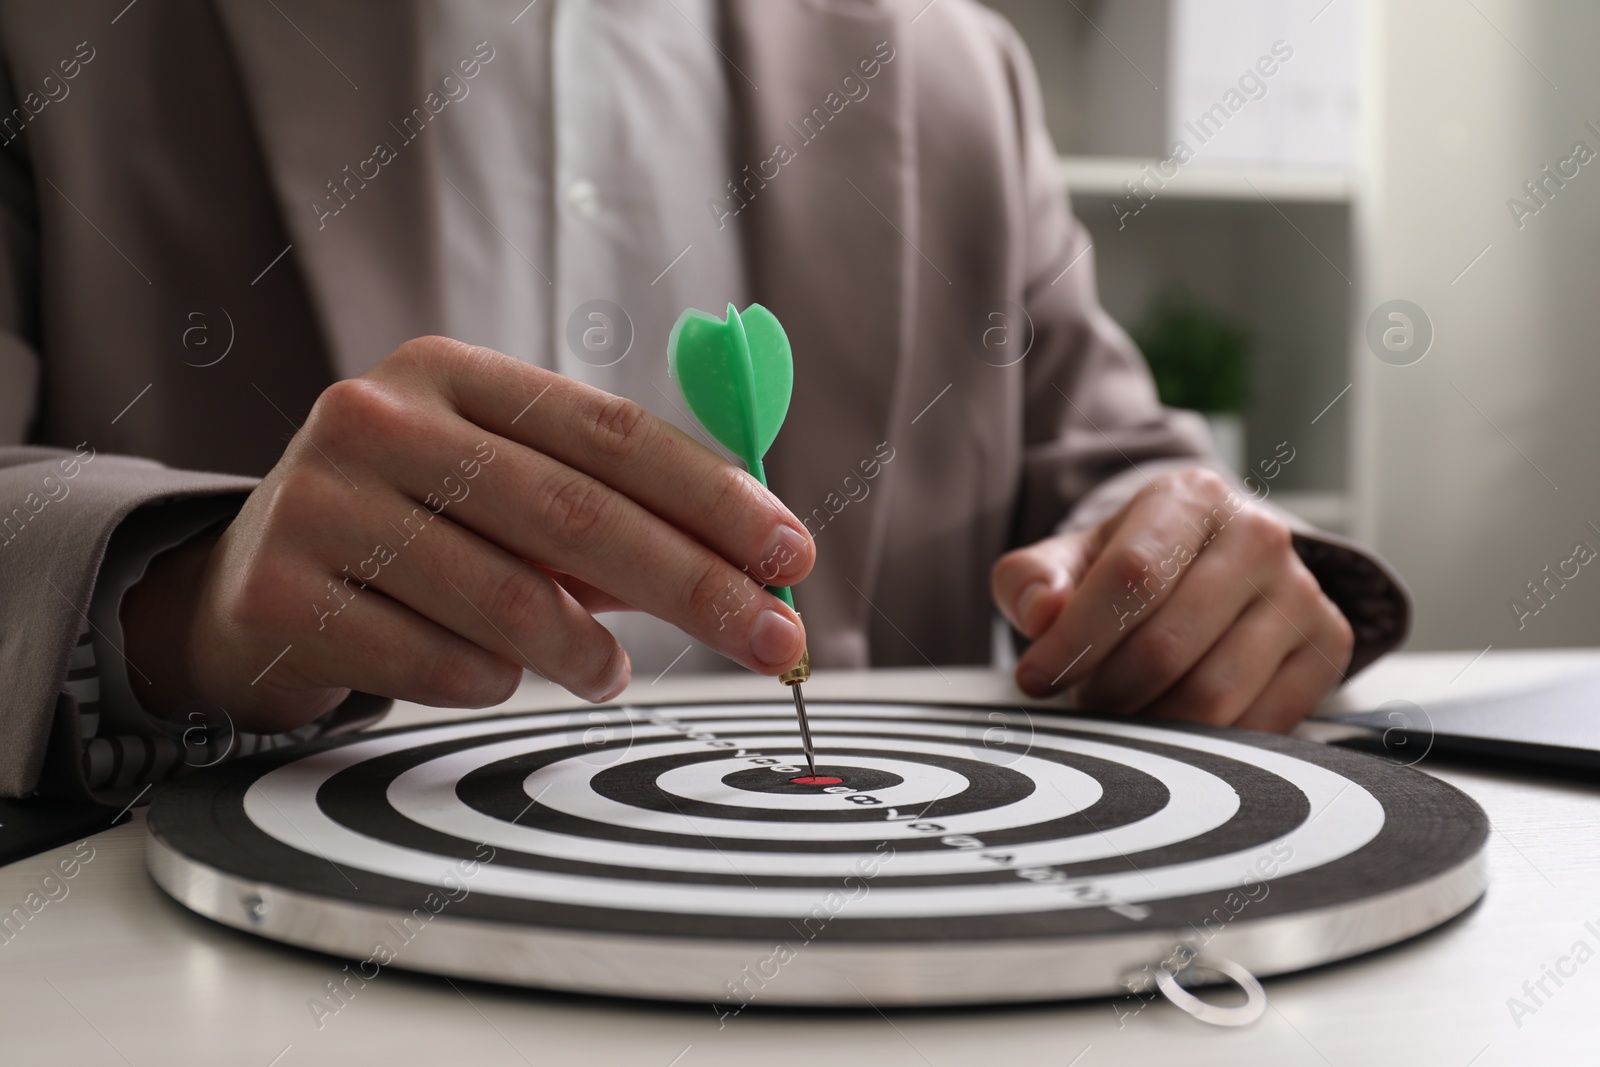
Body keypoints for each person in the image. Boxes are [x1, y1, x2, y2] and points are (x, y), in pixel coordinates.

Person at [0, 0, 1405, 803]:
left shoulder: (955, 67)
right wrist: (176, 590)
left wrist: (1182, 560)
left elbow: (1119, 464)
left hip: (890, 974)